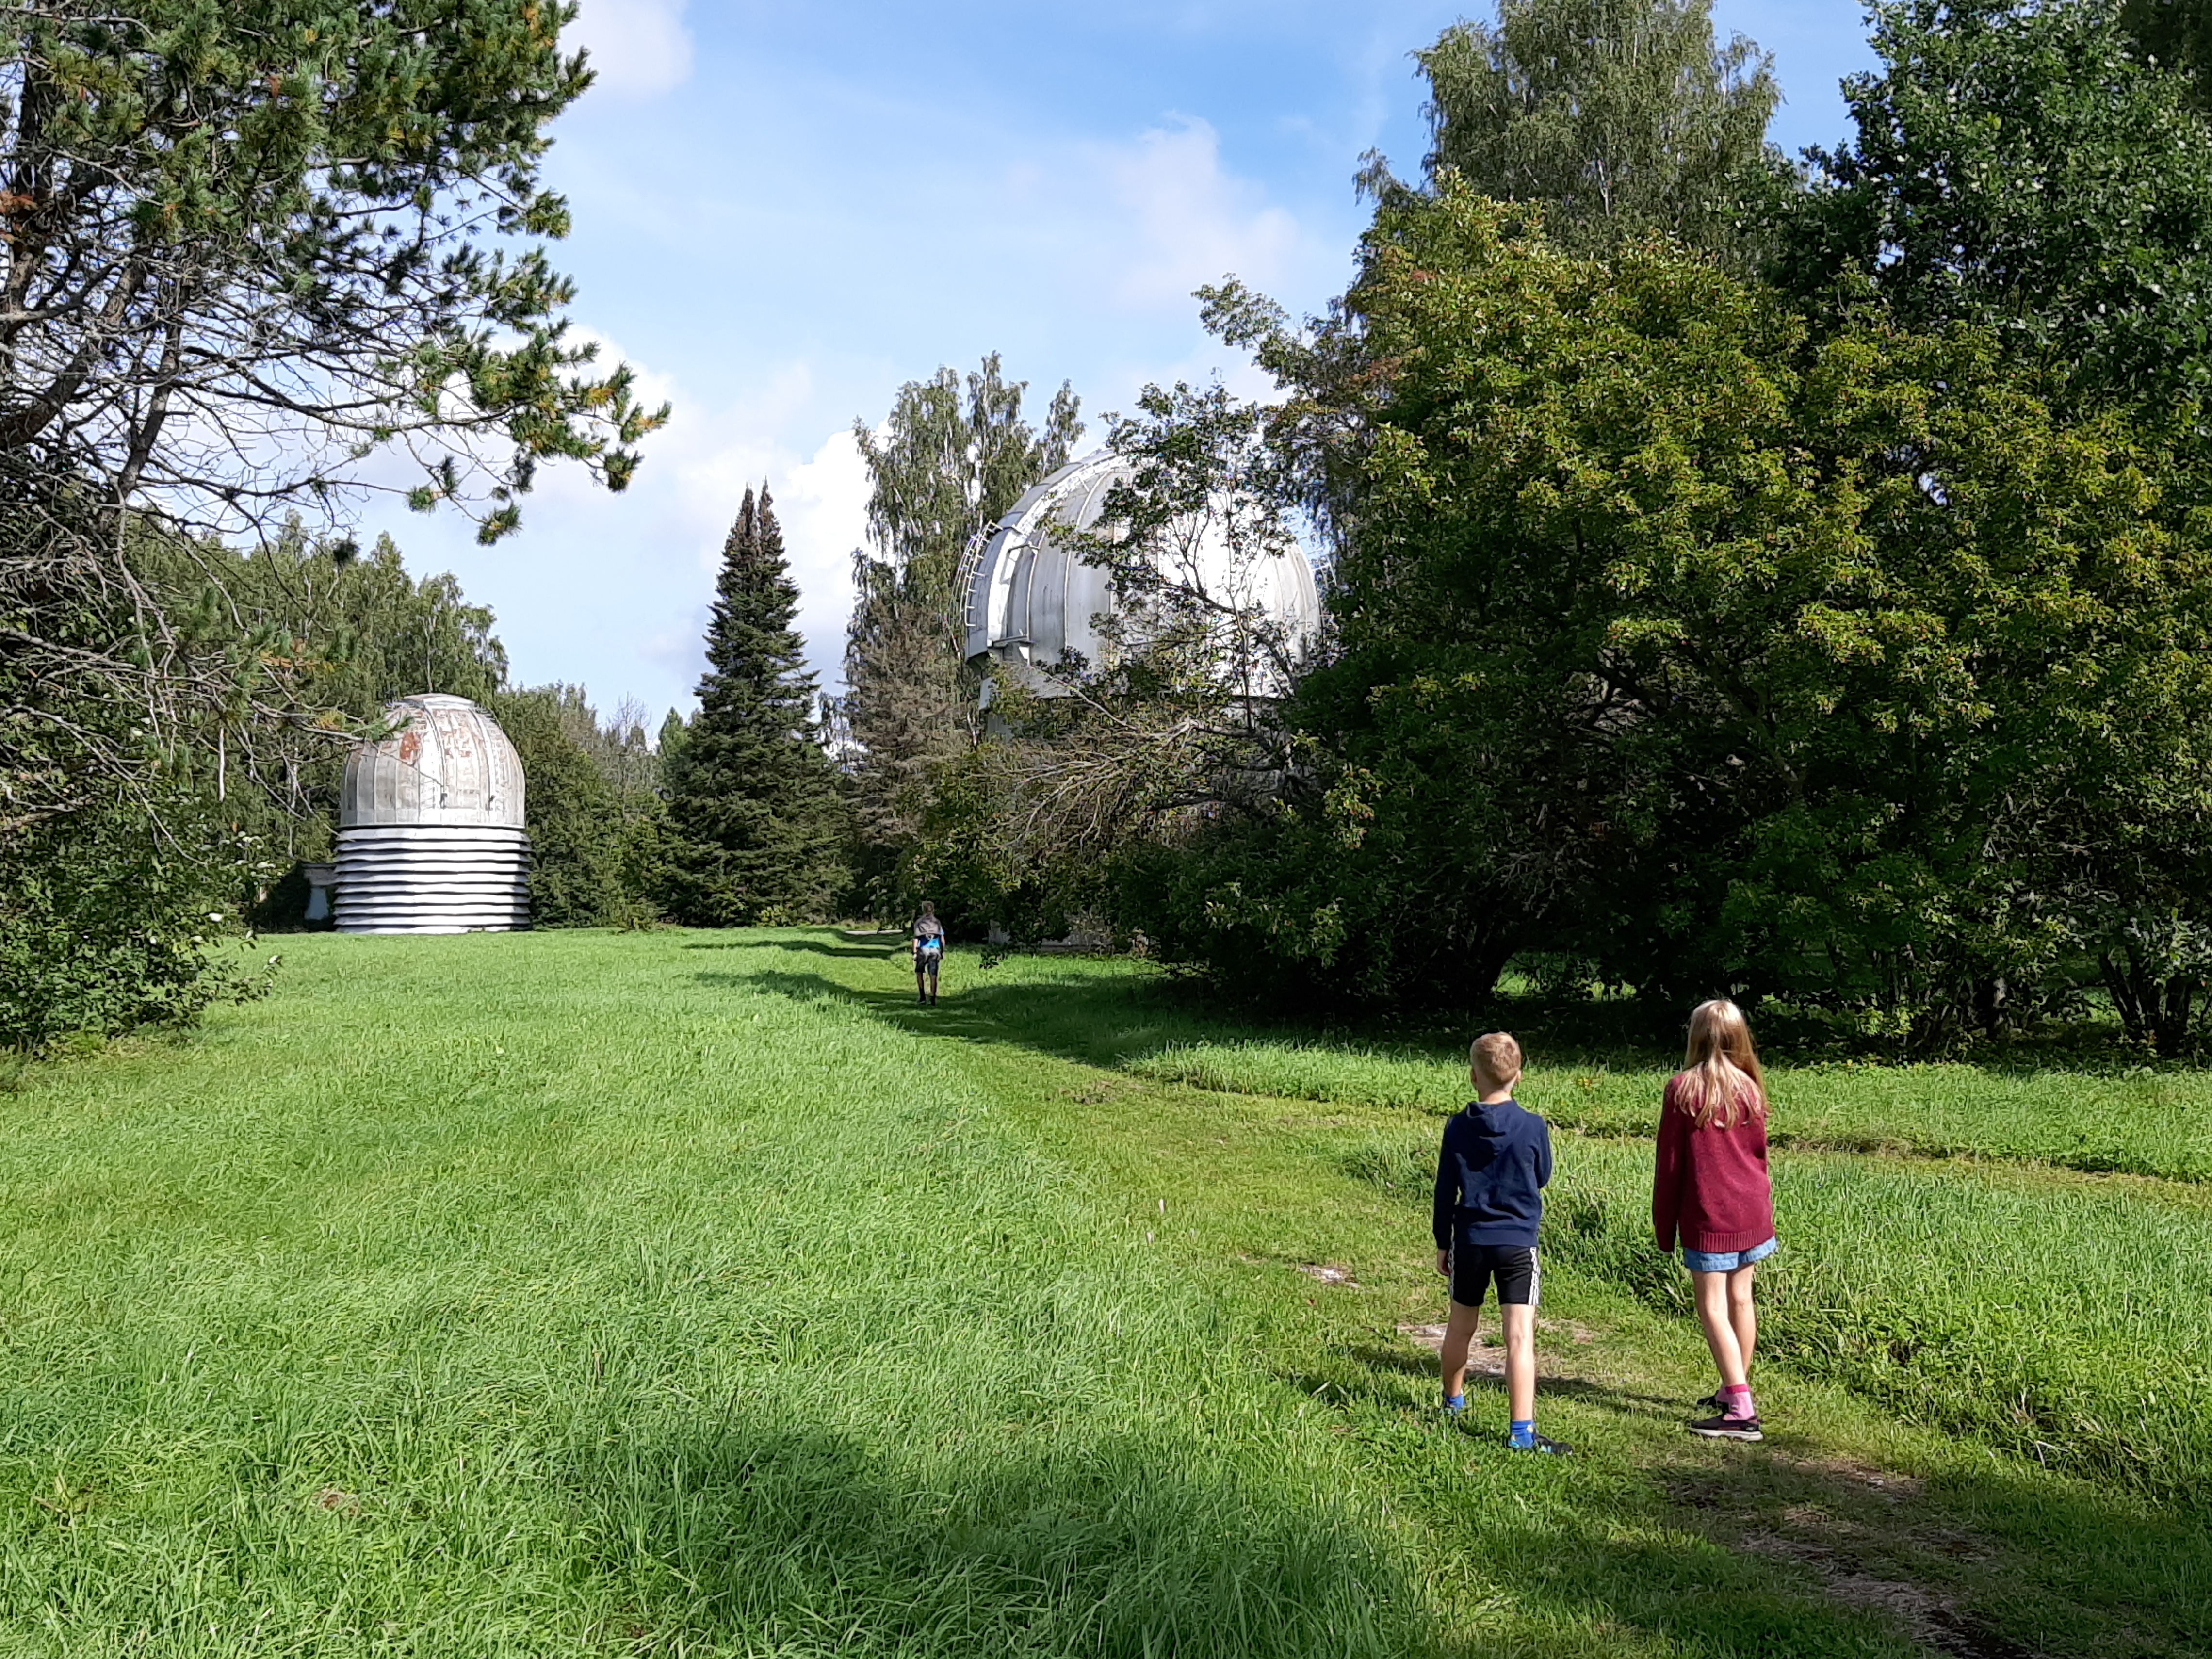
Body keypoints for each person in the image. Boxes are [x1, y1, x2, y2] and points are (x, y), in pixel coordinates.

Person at [1432, 1031, 1569, 1455]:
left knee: (1461, 1326)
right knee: (1519, 1336)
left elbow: (1445, 1189)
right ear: (1519, 1077)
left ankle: (1453, 1401)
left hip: (1470, 1239)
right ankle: (1521, 1432)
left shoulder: (1457, 1126)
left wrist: (1443, 1242)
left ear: (1473, 1077)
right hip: (1517, 1242)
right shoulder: (1533, 1126)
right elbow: (1541, 1175)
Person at [1653, 998, 1777, 1443]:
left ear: (1695, 1037)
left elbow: (1671, 1167)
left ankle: (1741, 1409)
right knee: (1742, 1299)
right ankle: (1732, 1388)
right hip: (1753, 1211)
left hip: (1709, 1215)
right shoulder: (1751, 1088)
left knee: (1712, 1306)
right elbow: (1760, 1157)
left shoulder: (1683, 1090)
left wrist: (1664, 1227)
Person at [911, 902, 946, 1007]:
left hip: (923, 950)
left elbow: (916, 938)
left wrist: (914, 952)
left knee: (919, 972)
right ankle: (933, 998)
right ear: (933, 910)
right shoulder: (937, 922)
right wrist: (942, 951)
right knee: (933, 974)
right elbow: (942, 939)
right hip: (935, 950)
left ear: (923, 910)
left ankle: (922, 997)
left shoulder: (919, 922)